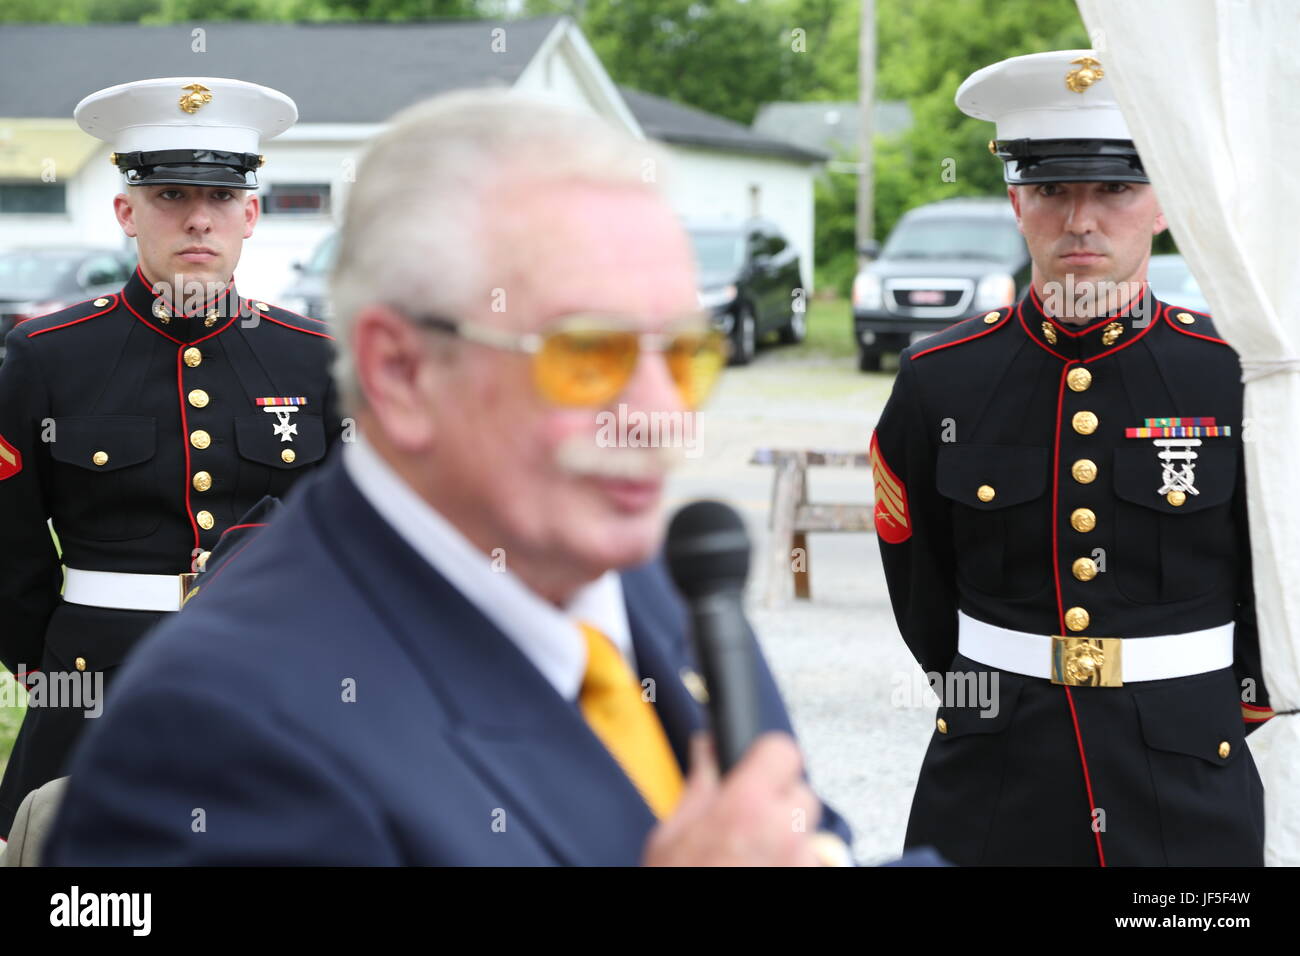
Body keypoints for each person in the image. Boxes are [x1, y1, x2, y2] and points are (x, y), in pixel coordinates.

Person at [42, 89, 854, 866]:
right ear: (399, 372)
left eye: (684, 354)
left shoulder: (663, 582)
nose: (655, 413)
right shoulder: (218, 734)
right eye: (587, 355)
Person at [872, 50, 1272, 866]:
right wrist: (980, 695)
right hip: (994, 771)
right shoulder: (939, 381)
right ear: (1017, 200)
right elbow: (920, 583)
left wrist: (1234, 709)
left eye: (1116, 188)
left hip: (1187, 773)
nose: (1080, 219)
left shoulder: (1235, 376)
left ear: (1165, 203)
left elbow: (1275, 573)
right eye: (1053, 188)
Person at [0, 77, 341, 839]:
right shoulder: (47, 358)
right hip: (92, 693)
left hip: (279, 686)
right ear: (126, 210)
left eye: (220, 198)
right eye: (170, 195)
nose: (196, 218)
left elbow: (350, 543)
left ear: (250, 215)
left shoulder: (315, 362)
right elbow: (8, 556)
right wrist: (49, 678)